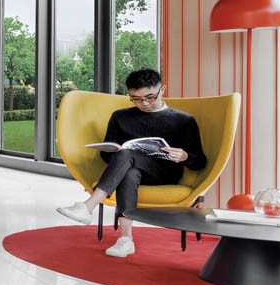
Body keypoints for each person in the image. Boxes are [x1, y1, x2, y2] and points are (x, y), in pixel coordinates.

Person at [56, 68, 206, 258]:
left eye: (150, 97)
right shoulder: (120, 117)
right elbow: (106, 157)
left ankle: (88, 205)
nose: (144, 103)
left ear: (163, 90)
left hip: (163, 174)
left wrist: (184, 156)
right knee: (129, 170)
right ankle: (126, 239)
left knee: (128, 155)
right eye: (136, 98)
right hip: (128, 173)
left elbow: (200, 161)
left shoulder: (184, 120)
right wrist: (116, 154)